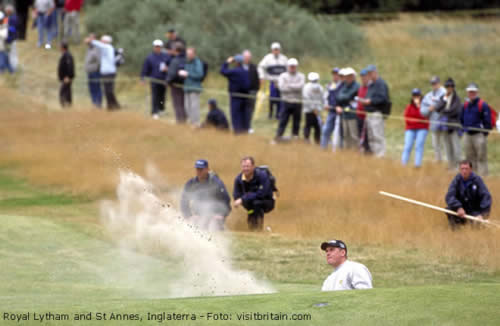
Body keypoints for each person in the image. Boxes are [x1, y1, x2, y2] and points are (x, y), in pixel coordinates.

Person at [180, 159, 231, 231]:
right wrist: (188, 216)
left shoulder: (216, 182)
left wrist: (222, 214)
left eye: (201, 169)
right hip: (198, 214)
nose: (199, 171)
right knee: (194, 226)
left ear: (207, 169)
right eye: (197, 169)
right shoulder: (191, 183)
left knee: (214, 226)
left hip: (215, 214)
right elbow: (184, 201)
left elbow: (226, 199)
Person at [445, 160, 492, 230]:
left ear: (470, 169)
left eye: (466, 169)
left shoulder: (477, 180)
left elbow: (486, 197)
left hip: (475, 211)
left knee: (477, 228)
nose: (464, 171)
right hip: (461, 211)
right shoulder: (456, 180)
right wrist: (458, 207)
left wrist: (482, 214)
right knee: (449, 209)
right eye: (462, 169)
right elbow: (449, 196)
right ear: (460, 170)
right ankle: (455, 231)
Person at [233, 156, 274, 231]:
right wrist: (240, 200)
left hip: (266, 201)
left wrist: (243, 198)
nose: (245, 169)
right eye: (243, 166)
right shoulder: (238, 179)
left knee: (256, 204)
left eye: (248, 166)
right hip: (249, 204)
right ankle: (252, 230)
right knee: (251, 210)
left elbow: (262, 193)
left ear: (253, 166)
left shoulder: (262, 175)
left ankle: (258, 230)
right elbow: (236, 195)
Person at [461, 83, 493, 176]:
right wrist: (464, 130)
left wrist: (483, 134)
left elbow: (488, 122)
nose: (471, 93)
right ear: (467, 93)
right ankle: (473, 176)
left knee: (481, 157)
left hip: (479, 135)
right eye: (470, 92)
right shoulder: (465, 105)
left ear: (477, 92)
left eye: (473, 92)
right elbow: (461, 119)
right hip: (467, 135)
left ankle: (483, 176)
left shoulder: (482, 105)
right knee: (470, 158)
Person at [358, 65, 390, 158]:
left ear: (375, 72)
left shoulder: (381, 84)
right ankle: (375, 154)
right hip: (369, 113)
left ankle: (380, 155)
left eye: (370, 73)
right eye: (368, 73)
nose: (369, 75)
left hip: (377, 112)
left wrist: (370, 101)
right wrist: (364, 101)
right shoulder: (371, 84)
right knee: (371, 136)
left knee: (377, 135)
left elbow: (383, 98)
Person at [435, 78, 462, 170]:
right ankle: (451, 166)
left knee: (456, 149)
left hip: (454, 127)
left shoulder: (457, 99)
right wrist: (445, 100)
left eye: (450, 87)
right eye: (447, 87)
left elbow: (455, 111)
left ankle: (458, 167)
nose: (449, 88)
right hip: (445, 127)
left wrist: (444, 112)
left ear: (453, 88)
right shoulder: (444, 97)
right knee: (447, 148)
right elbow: (437, 108)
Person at [87, 34, 120, 110]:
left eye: (102, 40)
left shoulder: (107, 47)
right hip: (107, 73)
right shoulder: (107, 48)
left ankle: (113, 106)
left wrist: (92, 40)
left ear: (106, 41)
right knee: (108, 90)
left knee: (108, 90)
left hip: (109, 73)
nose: (101, 42)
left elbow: (99, 45)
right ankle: (112, 106)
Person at [275, 58, 305, 141]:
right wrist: (294, 86)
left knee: (296, 121)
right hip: (286, 101)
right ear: (288, 67)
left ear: (296, 67)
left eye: (294, 66)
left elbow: (300, 87)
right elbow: (282, 88)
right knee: (283, 120)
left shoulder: (301, 76)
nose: (292, 68)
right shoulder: (283, 76)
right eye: (291, 66)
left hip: (297, 102)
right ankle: (278, 136)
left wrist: (288, 85)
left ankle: (295, 138)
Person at [220, 54, 250, 134]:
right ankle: (244, 131)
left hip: (235, 97)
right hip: (245, 97)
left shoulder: (234, 71)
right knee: (244, 115)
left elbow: (222, 71)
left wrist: (227, 62)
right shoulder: (246, 71)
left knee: (235, 115)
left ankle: (237, 132)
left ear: (236, 62)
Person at [258, 42, 288, 120]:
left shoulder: (284, 59)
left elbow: (288, 70)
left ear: (279, 50)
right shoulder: (267, 58)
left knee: (280, 98)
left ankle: (279, 114)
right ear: (272, 50)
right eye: (274, 50)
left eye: (277, 50)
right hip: (272, 81)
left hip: (281, 82)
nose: (276, 51)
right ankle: (271, 114)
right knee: (272, 98)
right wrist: (262, 77)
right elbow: (260, 67)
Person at [140, 39, 170, 119]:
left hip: (164, 80)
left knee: (162, 96)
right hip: (154, 80)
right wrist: (142, 78)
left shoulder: (166, 56)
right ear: (154, 47)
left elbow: (170, 66)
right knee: (155, 96)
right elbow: (145, 68)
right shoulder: (150, 57)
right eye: (156, 46)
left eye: (159, 47)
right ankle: (154, 112)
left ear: (161, 47)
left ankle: (161, 109)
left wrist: (168, 71)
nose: (157, 48)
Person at [420, 76, 447, 163]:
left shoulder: (445, 93)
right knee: (435, 145)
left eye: (436, 83)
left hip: (444, 124)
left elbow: (449, 107)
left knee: (446, 144)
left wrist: (436, 107)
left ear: (439, 83)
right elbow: (422, 110)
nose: (434, 85)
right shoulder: (428, 96)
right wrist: (429, 109)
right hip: (433, 124)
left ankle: (448, 162)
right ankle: (438, 161)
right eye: (432, 83)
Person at [401, 88, 429, 168]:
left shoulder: (424, 106)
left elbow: (425, 117)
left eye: (417, 95)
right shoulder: (409, 107)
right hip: (410, 129)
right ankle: (403, 164)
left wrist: (419, 106)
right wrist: (418, 121)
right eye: (414, 95)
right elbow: (407, 118)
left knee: (419, 146)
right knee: (407, 146)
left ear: (420, 96)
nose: (416, 97)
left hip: (422, 129)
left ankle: (417, 165)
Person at [335, 67, 360, 150]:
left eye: (349, 76)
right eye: (346, 76)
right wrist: (344, 99)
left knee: (354, 135)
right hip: (344, 115)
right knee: (346, 135)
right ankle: (347, 153)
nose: (347, 78)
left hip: (353, 115)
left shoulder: (356, 86)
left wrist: (344, 98)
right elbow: (338, 97)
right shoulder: (345, 86)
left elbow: (347, 96)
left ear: (353, 76)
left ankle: (355, 153)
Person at [321, 67, 343, 150]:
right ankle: (323, 148)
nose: (335, 76)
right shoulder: (330, 85)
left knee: (339, 134)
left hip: (340, 113)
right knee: (326, 130)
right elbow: (325, 97)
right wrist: (326, 105)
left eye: (336, 74)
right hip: (331, 111)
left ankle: (339, 151)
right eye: (334, 74)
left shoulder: (343, 85)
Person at [181, 47, 204, 126]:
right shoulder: (187, 62)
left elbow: (199, 74)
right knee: (187, 107)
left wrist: (188, 74)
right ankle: (191, 122)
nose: (189, 55)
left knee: (194, 107)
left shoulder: (197, 62)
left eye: (190, 54)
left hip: (195, 88)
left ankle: (196, 123)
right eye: (187, 54)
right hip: (187, 87)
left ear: (194, 54)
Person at [166, 42, 187, 123]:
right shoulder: (186, 58)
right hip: (186, 84)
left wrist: (168, 81)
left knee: (178, 104)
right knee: (184, 103)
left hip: (176, 85)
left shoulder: (175, 60)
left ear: (175, 50)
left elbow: (172, 74)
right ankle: (184, 120)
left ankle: (180, 122)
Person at [302, 72, 324, 144]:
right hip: (310, 110)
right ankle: (306, 139)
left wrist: (318, 108)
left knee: (316, 127)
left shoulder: (319, 87)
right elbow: (307, 98)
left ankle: (317, 141)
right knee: (309, 125)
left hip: (315, 110)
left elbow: (322, 99)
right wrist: (314, 108)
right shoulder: (307, 87)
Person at [242, 50, 259, 133]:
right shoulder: (239, 66)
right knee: (242, 110)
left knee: (250, 110)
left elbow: (257, 79)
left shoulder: (253, 67)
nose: (247, 59)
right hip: (241, 93)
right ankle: (242, 126)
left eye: (248, 57)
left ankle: (248, 126)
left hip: (252, 92)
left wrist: (256, 90)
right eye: (245, 57)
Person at [84, 34, 102, 108]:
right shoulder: (89, 48)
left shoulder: (97, 48)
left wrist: (96, 68)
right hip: (90, 72)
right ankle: (94, 103)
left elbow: (99, 60)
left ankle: (98, 103)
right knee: (91, 88)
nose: (90, 40)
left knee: (97, 87)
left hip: (95, 72)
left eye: (91, 38)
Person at [357, 69, 370, 153]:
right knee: (359, 134)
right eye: (362, 77)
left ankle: (367, 151)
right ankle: (362, 150)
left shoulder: (370, 88)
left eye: (364, 77)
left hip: (367, 116)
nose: (363, 79)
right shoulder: (360, 88)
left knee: (366, 136)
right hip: (359, 115)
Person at [57, 42, 74, 107]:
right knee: (67, 92)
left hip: (66, 78)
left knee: (63, 92)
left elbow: (70, 67)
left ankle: (65, 105)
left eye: (60, 46)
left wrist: (68, 77)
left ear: (63, 47)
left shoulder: (67, 55)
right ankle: (68, 105)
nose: (59, 48)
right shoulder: (65, 55)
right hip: (64, 78)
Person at [4, 4, 18, 72]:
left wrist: (8, 28)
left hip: (12, 39)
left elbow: (13, 29)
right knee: (7, 53)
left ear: (9, 11)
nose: (6, 12)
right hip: (7, 39)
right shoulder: (7, 17)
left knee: (13, 53)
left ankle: (14, 67)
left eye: (7, 11)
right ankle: (8, 67)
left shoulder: (13, 18)